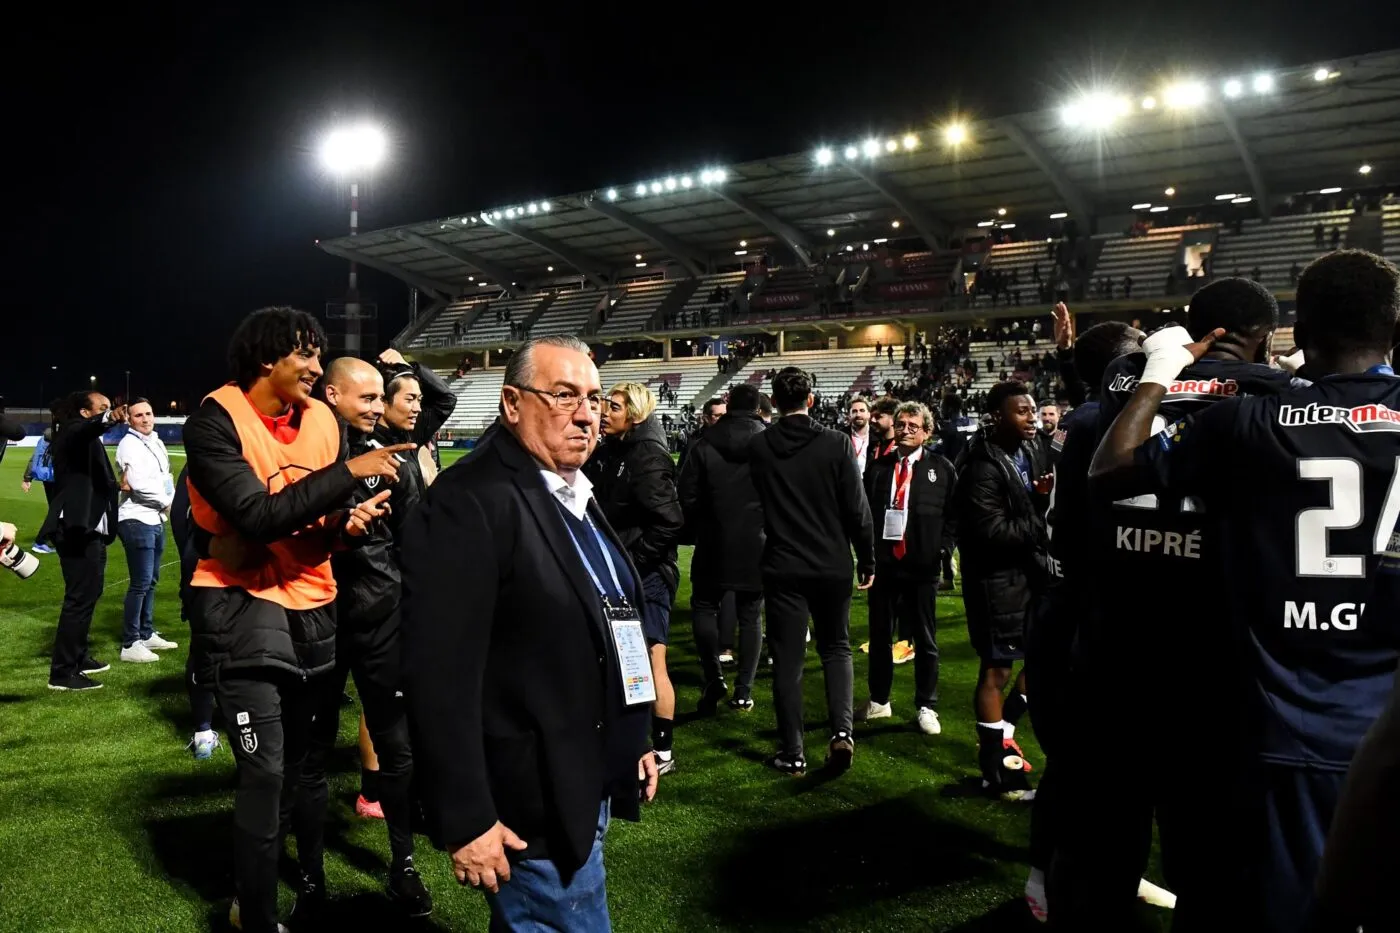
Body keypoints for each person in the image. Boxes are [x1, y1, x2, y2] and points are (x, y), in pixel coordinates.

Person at [1089, 249, 1400, 933]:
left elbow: (1111, 467)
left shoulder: (1245, 422)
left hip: (1272, 727)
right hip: (1384, 726)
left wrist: (1158, 375)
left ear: (1300, 331)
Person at [1052, 278, 1291, 927]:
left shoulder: (1118, 392)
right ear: (1264, 336)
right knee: (1208, 855)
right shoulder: (1279, 401)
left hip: (1114, 645)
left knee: (1100, 846)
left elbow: (1070, 525)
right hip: (1217, 658)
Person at [400, 335, 658, 932]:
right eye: (563, 395)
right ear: (512, 404)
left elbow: (604, 618)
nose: (587, 414)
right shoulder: (471, 500)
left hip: (579, 776)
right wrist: (466, 816)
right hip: (525, 803)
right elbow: (438, 676)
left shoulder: (567, 486)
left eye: (594, 397)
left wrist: (631, 731)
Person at [183, 307, 410, 933]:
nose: (315, 366)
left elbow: (304, 520)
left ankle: (280, 887)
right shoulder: (214, 421)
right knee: (264, 773)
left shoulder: (322, 423)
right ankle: (254, 916)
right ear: (267, 358)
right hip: (241, 605)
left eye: (318, 354)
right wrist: (346, 475)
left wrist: (344, 524)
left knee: (294, 771)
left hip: (314, 606)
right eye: (305, 354)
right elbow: (257, 516)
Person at [297, 355, 433, 918]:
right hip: (316, 622)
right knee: (309, 754)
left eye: (382, 398)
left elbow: (416, 543)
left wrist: (412, 614)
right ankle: (310, 881)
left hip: (382, 623)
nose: (379, 408)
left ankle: (403, 866)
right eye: (369, 398)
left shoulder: (395, 459)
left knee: (396, 749)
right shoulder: (304, 452)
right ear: (332, 395)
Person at [1021, 318, 1145, 921]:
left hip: (1061, 599)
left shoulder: (1082, 418)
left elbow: (1094, 399)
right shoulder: (1105, 422)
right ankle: (1053, 876)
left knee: (1078, 761)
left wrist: (1070, 354)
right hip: (1088, 608)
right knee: (1087, 763)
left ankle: (1055, 872)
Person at [749, 366, 875, 775]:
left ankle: (793, 751)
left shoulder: (760, 446)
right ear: (812, 399)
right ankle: (842, 733)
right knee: (836, 648)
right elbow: (857, 508)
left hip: (784, 563)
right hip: (831, 561)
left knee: (788, 660)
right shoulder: (837, 443)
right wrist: (867, 558)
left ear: (774, 401)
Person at [352, 348, 457, 820]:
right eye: (407, 399)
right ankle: (372, 789)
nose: (417, 406)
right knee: (381, 690)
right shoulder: (373, 452)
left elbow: (445, 398)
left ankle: (398, 780)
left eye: (417, 399)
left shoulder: (409, 439)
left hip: (412, 581)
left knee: (403, 687)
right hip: (389, 587)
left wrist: (409, 367)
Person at [952, 381, 1051, 801]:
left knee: (1043, 660)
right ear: (997, 416)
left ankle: (1004, 732)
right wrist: (1042, 513)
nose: (1032, 418)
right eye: (1022, 411)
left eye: (1033, 410)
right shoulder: (981, 465)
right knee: (997, 671)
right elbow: (991, 532)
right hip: (995, 582)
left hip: (1030, 575)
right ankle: (994, 770)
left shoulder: (1030, 449)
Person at [586, 381, 684, 774]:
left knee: (650, 658)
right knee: (618, 658)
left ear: (636, 414)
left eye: (614, 406)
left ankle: (662, 751)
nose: (604, 411)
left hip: (648, 574)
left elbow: (670, 522)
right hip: (622, 571)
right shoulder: (612, 450)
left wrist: (632, 561)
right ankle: (628, 738)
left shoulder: (648, 455)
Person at [860, 402, 956, 735]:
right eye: (901, 424)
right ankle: (879, 700)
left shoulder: (941, 468)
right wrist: (867, 555)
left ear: (927, 432)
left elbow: (954, 515)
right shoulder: (879, 467)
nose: (905, 430)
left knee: (925, 639)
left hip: (922, 567)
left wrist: (943, 549)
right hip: (885, 565)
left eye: (913, 426)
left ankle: (926, 705)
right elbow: (865, 513)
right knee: (880, 636)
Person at [678, 382, 766, 713]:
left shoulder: (704, 443)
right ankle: (743, 690)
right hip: (756, 541)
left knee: (704, 606)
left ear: (728, 404)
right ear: (757, 407)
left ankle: (713, 675)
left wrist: (703, 523)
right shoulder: (769, 444)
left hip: (713, 538)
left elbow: (686, 494)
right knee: (751, 614)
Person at [39, 390, 128, 691]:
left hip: (91, 529)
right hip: (76, 529)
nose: (109, 410)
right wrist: (109, 418)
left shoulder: (85, 436)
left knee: (89, 594)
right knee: (79, 599)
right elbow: (84, 430)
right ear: (85, 412)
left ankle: (77, 657)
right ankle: (62, 673)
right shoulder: (72, 431)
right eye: (102, 407)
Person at [115, 398, 178, 663]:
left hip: (154, 518)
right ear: (129, 420)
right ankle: (130, 643)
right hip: (136, 519)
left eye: (148, 413)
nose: (145, 419)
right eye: (138, 415)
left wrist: (168, 501)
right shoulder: (129, 445)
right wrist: (168, 504)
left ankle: (146, 632)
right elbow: (138, 484)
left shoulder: (156, 441)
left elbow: (165, 477)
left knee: (150, 580)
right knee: (140, 583)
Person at [169, 466, 220, 760]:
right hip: (240, 565)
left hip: (200, 562)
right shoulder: (259, 451)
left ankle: (203, 730)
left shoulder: (199, 459)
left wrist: (190, 549)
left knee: (202, 646)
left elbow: (178, 515)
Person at [22, 423, 57, 553]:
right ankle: (40, 541)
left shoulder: (44, 438)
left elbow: (34, 458)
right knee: (57, 510)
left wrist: (27, 478)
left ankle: (54, 537)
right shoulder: (60, 438)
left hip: (46, 477)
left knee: (56, 508)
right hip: (56, 477)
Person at [845, 396, 874, 473]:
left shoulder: (878, 435)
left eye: (862, 410)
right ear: (849, 415)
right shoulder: (841, 436)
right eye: (854, 411)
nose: (858, 414)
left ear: (869, 414)